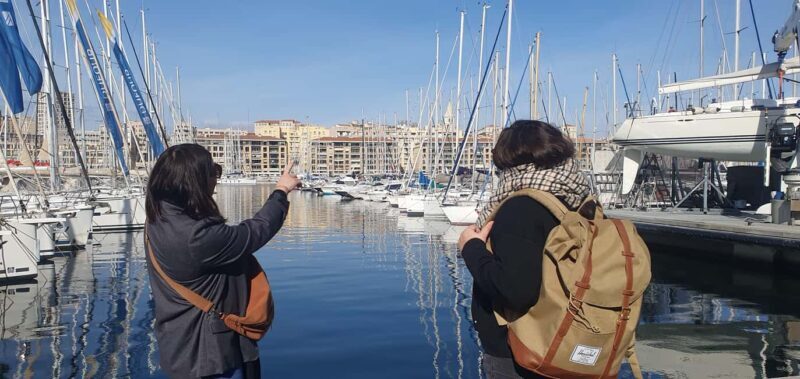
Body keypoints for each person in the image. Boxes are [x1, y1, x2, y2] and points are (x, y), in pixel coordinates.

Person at [145, 144, 301, 379]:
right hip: (213, 356)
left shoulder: (157, 219)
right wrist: (281, 191)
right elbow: (255, 232)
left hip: (179, 348)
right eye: (214, 171)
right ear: (195, 182)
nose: (216, 179)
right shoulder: (196, 237)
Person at [457, 120, 591, 379]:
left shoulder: (520, 208)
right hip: (571, 341)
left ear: (508, 161)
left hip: (523, 353)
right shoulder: (578, 201)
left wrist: (471, 248)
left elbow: (516, 291)